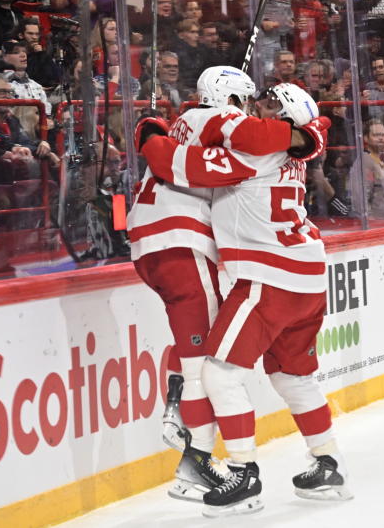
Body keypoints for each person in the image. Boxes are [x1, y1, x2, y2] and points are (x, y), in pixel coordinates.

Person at [139, 84, 351, 515]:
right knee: (293, 376)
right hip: (306, 276)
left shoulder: (253, 155)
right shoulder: (292, 150)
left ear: (289, 118)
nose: (260, 111)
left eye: (272, 107)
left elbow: (173, 162)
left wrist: (152, 133)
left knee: (218, 373)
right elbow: (309, 130)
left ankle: (244, 475)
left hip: (266, 276)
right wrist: (315, 127)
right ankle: (329, 463)